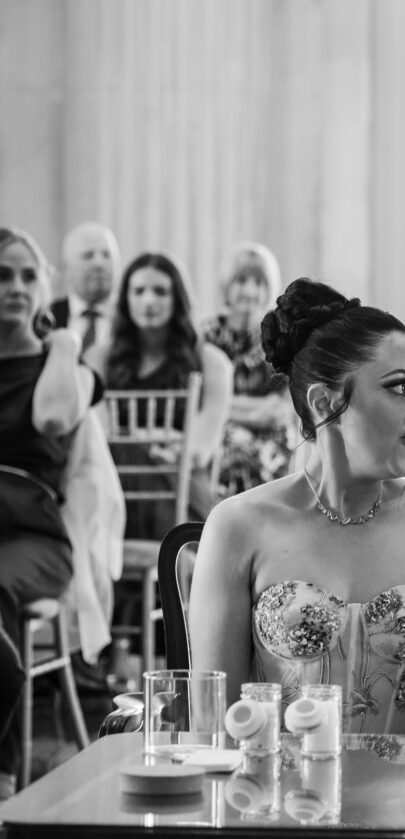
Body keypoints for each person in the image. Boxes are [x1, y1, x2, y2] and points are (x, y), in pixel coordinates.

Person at [189, 278, 405, 734]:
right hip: (279, 798)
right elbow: (211, 724)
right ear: (325, 402)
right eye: (399, 388)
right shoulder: (238, 526)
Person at [0, 227, 99, 798]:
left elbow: (54, 421)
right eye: (2, 275)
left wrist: (62, 345)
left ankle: (4, 776)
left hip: (33, 537)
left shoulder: (64, 365)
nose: (16, 286)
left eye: (28, 275)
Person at [84, 252, 232, 539]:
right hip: (115, 482)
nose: (149, 301)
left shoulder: (211, 362)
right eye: (138, 291)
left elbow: (200, 449)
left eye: (160, 291)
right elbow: (98, 436)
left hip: (181, 485)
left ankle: (165, 558)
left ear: (177, 299)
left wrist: (140, 444)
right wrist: (150, 441)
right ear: (125, 299)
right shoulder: (98, 358)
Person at [201, 243, 292, 498]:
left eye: (259, 283)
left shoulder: (279, 338)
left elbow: (276, 409)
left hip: (270, 433)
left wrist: (226, 406)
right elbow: (201, 403)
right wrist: (251, 411)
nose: (250, 291)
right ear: (227, 286)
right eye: (241, 281)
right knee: (231, 445)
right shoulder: (207, 336)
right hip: (219, 430)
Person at [50, 222, 121, 356]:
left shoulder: (133, 317)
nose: (99, 264)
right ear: (66, 268)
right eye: (88, 256)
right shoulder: (48, 318)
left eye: (107, 255)